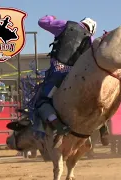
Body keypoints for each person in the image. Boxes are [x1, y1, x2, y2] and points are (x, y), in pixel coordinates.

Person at [36, 15, 99, 148]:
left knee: (42, 100)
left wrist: (51, 17)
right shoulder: (91, 40)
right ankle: (101, 127)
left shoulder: (65, 25)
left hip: (58, 73)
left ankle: (55, 123)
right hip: (76, 76)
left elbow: (42, 22)